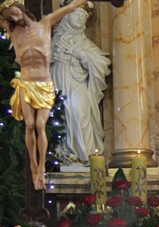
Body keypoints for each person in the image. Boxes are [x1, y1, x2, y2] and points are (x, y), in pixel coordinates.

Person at [0, 0, 88, 190]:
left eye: (14, 12)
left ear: (20, 8)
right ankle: (33, 166)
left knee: (40, 125)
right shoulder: (13, 31)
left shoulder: (45, 23)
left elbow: (71, 7)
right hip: (26, 84)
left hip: (44, 84)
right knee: (30, 125)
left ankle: (41, 168)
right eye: (9, 16)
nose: (13, 17)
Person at [51, 2, 111, 166]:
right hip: (58, 82)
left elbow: (103, 63)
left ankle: (84, 154)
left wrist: (80, 54)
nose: (80, 19)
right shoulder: (55, 40)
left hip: (77, 83)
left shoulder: (84, 43)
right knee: (61, 116)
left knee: (80, 113)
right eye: (77, 15)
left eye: (83, 17)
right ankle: (65, 154)